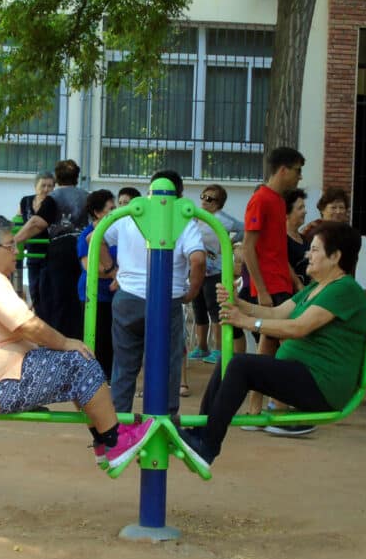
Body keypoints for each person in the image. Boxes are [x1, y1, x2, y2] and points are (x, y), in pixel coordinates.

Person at [0, 213, 160, 470]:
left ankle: (105, 440)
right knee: (80, 361)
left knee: (75, 366)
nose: (16, 251)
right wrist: (65, 342)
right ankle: (114, 441)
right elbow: (26, 324)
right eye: (10, 245)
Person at [177, 222, 366, 469]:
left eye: (314, 250)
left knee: (241, 365)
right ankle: (200, 433)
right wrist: (239, 304)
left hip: (323, 384)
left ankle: (207, 444)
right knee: (230, 360)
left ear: (335, 256)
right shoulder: (317, 288)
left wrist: (246, 322)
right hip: (303, 374)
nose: (307, 255)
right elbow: (278, 313)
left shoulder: (345, 289)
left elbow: (298, 327)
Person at [104, 170, 206, 416]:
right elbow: (199, 260)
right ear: (179, 195)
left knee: (124, 364)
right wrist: (191, 291)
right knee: (167, 365)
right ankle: (165, 420)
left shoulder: (130, 216)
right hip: (166, 300)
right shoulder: (183, 220)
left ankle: (118, 425)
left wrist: (112, 270)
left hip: (128, 297)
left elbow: (96, 237)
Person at [241, 147, 303, 419]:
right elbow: (248, 248)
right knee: (271, 347)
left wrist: (295, 281)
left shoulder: (278, 201)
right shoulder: (261, 200)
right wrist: (262, 291)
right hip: (269, 289)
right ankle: (259, 407)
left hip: (282, 285)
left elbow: (277, 249)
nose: (299, 177)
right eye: (297, 171)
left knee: (277, 347)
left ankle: (271, 404)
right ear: (283, 170)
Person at [14, 159, 89, 338]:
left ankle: (60, 337)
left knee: (58, 296)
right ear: (77, 177)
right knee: (79, 293)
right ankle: (81, 335)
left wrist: (15, 240)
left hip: (61, 250)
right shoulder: (88, 196)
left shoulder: (53, 199)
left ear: (57, 178)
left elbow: (36, 223)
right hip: (85, 249)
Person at [189, 184, 246, 364]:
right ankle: (201, 347)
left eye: (210, 199)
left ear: (218, 203)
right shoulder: (196, 217)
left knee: (214, 310)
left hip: (215, 271)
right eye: (203, 196)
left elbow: (244, 228)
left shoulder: (222, 219)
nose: (205, 201)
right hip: (198, 270)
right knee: (198, 309)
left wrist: (229, 242)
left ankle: (218, 350)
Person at [77, 190, 117, 379]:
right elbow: (89, 267)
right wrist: (115, 274)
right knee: (98, 339)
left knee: (111, 339)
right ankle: (96, 379)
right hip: (94, 295)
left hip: (114, 294)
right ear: (97, 212)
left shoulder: (116, 233)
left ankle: (108, 376)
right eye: (110, 209)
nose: (115, 212)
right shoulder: (87, 235)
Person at [18, 171, 54, 309]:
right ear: (35, 186)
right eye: (43, 185)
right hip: (31, 249)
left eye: (50, 186)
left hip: (47, 250)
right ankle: (37, 314)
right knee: (33, 287)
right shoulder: (26, 201)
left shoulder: (52, 203)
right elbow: (19, 220)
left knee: (44, 289)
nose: (46, 189)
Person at [284, 188, 310, 291]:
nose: (305, 211)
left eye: (304, 207)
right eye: (300, 208)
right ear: (287, 214)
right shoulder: (281, 239)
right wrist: (298, 284)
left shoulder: (304, 239)